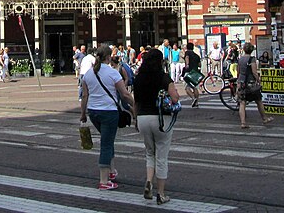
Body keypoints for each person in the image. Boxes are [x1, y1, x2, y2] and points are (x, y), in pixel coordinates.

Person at [79, 44, 135, 191]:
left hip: (93, 112)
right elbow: (124, 94)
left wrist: (83, 114)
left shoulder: (88, 74)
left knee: (107, 140)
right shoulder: (113, 73)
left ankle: (111, 171)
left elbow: (85, 96)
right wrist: (136, 106)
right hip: (109, 112)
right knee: (106, 144)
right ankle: (104, 180)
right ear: (109, 57)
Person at [132, 48, 179, 205]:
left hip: (143, 118)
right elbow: (175, 97)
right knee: (162, 156)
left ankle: (148, 181)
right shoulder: (163, 77)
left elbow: (135, 102)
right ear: (160, 61)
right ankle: (161, 193)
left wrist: (135, 120)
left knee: (149, 153)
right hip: (160, 119)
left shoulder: (138, 78)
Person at [236, 43, 273, 129]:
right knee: (258, 100)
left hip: (241, 82)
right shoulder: (252, 59)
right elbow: (254, 72)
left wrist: (238, 81)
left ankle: (243, 122)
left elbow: (238, 71)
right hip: (250, 83)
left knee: (242, 103)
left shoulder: (240, 59)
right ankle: (264, 118)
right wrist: (258, 80)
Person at [182, 42, 202, 108]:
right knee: (195, 87)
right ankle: (197, 102)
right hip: (195, 72)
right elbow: (199, 65)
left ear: (187, 47)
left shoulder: (187, 52)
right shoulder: (197, 55)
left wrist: (187, 64)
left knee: (186, 87)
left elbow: (187, 57)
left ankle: (193, 98)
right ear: (193, 47)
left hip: (189, 71)